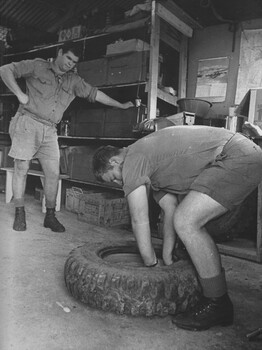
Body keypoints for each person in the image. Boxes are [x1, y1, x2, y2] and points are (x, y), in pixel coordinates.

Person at [92, 125, 262, 331]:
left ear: (114, 161)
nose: (120, 183)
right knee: (183, 217)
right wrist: (167, 256)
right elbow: (170, 210)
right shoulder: (152, 168)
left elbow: (139, 219)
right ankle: (209, 284)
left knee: (188, 221)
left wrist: (151, 266)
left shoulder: (133, 158)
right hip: (238, 153)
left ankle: (218, 302)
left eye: (114, 177)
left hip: (236, 156)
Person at [0, 41, 134, 232]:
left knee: (53, 173)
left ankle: (50, 215)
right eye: (68, 58)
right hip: (28, 122)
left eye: (73, 62)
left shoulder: (74, 81)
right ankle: (20, 213)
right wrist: (19, 94)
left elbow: (95, 94)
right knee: (21, 168)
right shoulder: (38, 65)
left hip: (50, 130)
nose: (69, 64)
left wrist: (120, 105)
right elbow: (5, 69)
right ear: (59, 52)